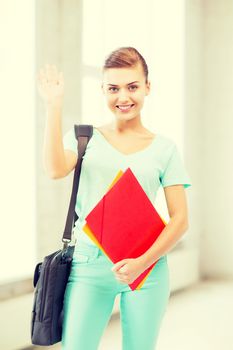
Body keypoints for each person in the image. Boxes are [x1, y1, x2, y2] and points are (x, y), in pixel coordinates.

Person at [37, 46, 192, 350]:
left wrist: (141, 263)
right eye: (114, 88)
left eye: (132, 86)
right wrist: (53, 107)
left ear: (148, 87)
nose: (123, 97)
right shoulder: (85, 137)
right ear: (103, 91)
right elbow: (54, 170)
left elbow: (181, 220)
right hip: (88, 267)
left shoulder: (165, 149)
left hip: (147, 269)